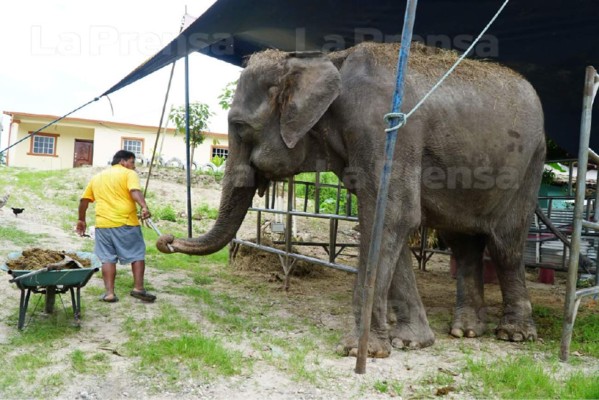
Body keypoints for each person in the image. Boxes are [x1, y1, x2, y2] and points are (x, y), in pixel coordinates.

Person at [76, 150, 156, 303]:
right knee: (137, 253)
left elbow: (83, 201)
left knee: (107, 258)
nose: (134, 167)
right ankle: (138, 288)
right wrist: (144, 207)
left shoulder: (97, 177)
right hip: (126, 222)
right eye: (132, 162)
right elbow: (134, 191)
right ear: (122, 162)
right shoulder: (128, 173)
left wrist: (81, 220)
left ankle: (109, 294)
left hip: (103, 225)